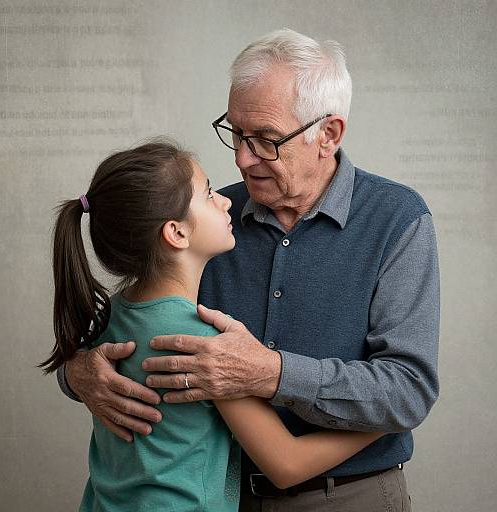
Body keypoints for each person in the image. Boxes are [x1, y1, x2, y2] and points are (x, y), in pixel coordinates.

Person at [58, 29, 440, 511]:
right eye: (235, 133)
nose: (241, 159)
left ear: (329, 135)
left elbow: (409, 390)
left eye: (264, 140)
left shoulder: (397, 220)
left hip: (347, 498)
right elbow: (116, 346)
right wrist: (76, 375)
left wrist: (273, 374)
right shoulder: (209, 224)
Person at [42, 139, 384, 511]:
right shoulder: (203, 345)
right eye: (207, 194)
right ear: (176, 233)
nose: (225, 201)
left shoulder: (111, 316)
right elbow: (287, 464)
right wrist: (386, 422)